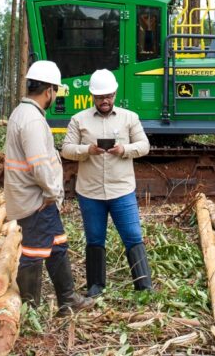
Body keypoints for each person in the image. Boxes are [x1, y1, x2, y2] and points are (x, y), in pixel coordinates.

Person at [4, 60, 93, 315]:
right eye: (56, 91)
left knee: (57, 244)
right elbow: (39, 164)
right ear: (49, 91)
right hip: (36, 199)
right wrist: (52, 193)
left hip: (33, 196)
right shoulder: (31, 120)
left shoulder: (23, 113)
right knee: (33, 252)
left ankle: (67, 299)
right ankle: (29, 309)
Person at [61, 68, 152, 296]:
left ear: (115, 94)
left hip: (122, 190)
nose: (105, 101)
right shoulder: (78, 120)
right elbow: (66, 149)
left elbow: (144, 146)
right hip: (90, 192)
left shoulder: (129, 118)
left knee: (133, 236)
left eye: (109, 96)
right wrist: (87, 150)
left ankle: (144, 286)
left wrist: (124, 149)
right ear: (93, 96)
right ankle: (95, 286)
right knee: (94, 238)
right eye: (101, 97)